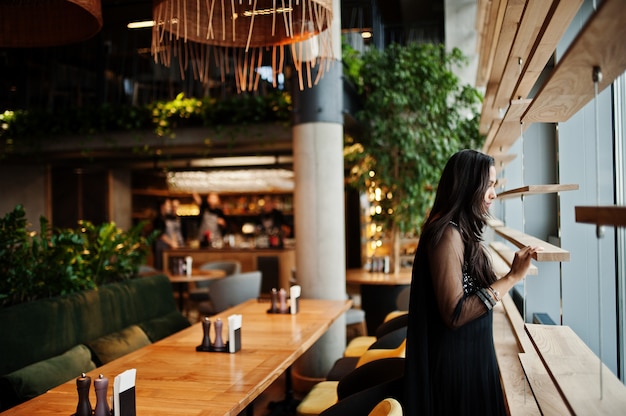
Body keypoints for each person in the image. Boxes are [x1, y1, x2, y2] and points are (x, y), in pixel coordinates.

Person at [403, 149, 541, 415]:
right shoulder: (447, 234)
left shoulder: (459, 230)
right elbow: (455, 313)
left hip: (469, 362)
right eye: (488, 185)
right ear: (467, 185)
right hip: (457, 372)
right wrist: (512, 277)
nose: (493, 194)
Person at [152, 198, 184, 270]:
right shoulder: (159, 218)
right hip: (160, 246)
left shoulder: (165, 218)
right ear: (162, 206)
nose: (170, 208)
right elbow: (160, 235)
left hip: (165, 245)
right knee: (160, 267)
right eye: (168, 205)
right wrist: (171, 243)